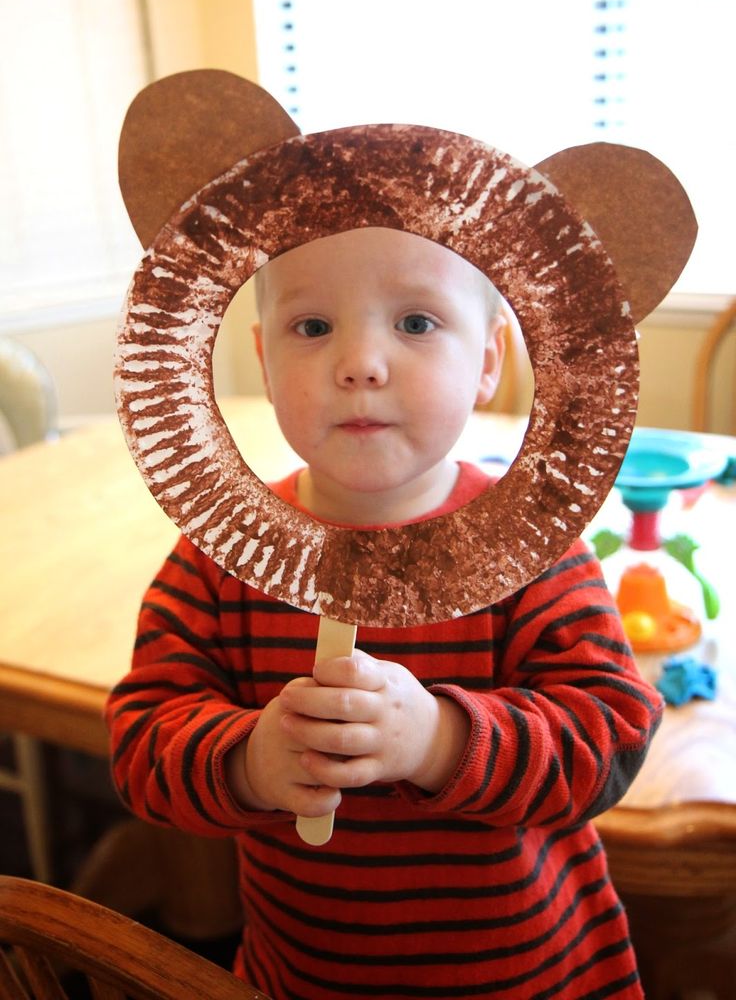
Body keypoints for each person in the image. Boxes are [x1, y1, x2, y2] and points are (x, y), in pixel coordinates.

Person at [106, 227, 662, 1000]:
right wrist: (247, 761)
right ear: (266, 363)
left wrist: (440, 741)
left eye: (416, 323)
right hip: (301, 978)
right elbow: (140, 746)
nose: (360, 364)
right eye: (313, 327)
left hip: (531, 976)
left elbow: (611, 737)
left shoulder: (532, 548)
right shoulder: (222, 552)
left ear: (489, 362)